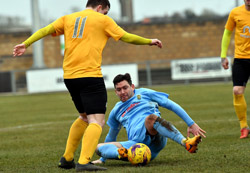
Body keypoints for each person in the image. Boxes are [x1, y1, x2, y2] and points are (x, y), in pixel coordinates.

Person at [12, 0, 162, 171]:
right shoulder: (102, 20)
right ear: (99, 7)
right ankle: (84, 162)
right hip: (90, 76)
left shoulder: (68, 18)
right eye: (105, 12)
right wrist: (149, 41)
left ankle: (67, 158)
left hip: (69, 77)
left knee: (84, 117)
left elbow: (45, 30)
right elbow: (126, 36)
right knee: (97, 121)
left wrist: (26, 43)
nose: (105, 15)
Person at [91, 73, 206, 165]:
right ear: (115, 92)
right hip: (135, 144)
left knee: (150, 119)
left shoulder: (145, 93)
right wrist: (103, 159)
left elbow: (171, 105)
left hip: (153, 137)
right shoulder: (116, 110)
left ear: (132, 86)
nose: (122, 92)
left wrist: (191, 124)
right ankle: (126, 154)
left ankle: (186, 143)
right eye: (119, 90)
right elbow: (112, 135)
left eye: (125, 88)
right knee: (98, 147)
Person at [220, 0, 250, 139]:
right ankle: (243, 127)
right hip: (240, 58)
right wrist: (223, 56)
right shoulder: (235, 12)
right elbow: (227, 33)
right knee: (237, 91)